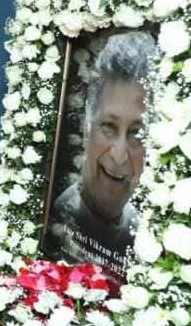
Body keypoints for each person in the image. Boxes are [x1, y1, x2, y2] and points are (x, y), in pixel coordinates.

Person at [45, 31, 155, 283]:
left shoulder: (144, 233)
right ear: (87, 128)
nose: (118, 155)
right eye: (109, 126)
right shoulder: (60, 215)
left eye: (137, 133)